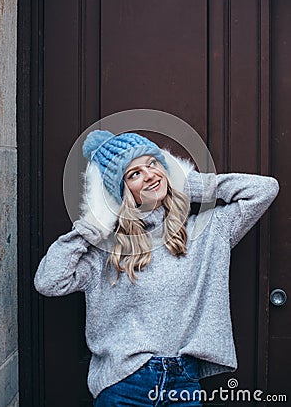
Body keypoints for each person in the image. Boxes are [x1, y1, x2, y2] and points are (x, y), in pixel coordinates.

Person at [34, 130, 280, 406]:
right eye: (134, 174)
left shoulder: (206, 232)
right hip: (124, 383)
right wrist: (93, 224)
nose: (149, 174)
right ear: (121, 192)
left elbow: (264, 190)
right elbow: (49, 281)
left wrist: (187, 182)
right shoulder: (107, 249)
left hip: (183, 383)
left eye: (153, 163)